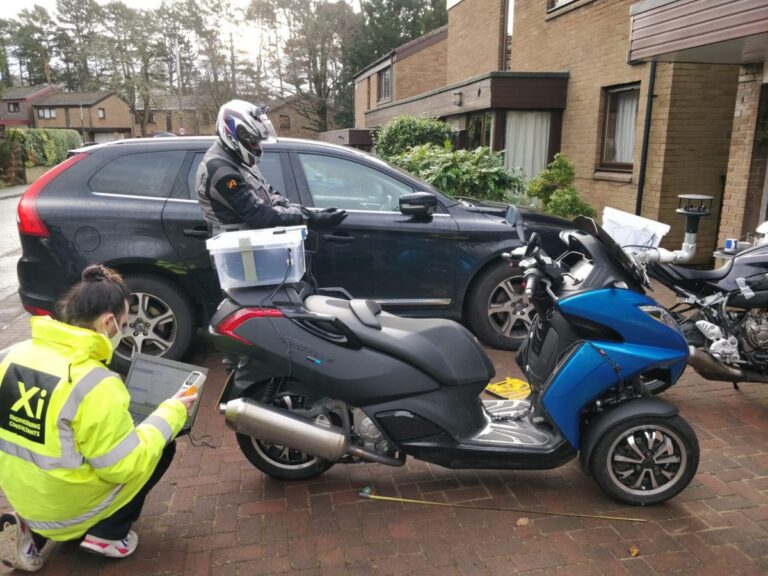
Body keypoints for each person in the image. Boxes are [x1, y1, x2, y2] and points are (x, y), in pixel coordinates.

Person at [0, 265, 197, 571]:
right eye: (123, 322)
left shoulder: (12, 354)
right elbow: (123, 466)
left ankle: (33, 532)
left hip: (23, 493)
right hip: (68, 506)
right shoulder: (95, 382)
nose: (124, 328)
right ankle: (107, 534)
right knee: (160, 446)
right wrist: (171, 413)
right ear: (107, 322)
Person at [196, 99, 347, 234]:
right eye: (253, 142)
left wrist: (307, 212)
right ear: (234, 136)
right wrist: (311, 219)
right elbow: (260, 216)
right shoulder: (221, 170)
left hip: (253, 247)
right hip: (238, 254)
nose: (257, 147)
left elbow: (270, 195)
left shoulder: (239, 160)